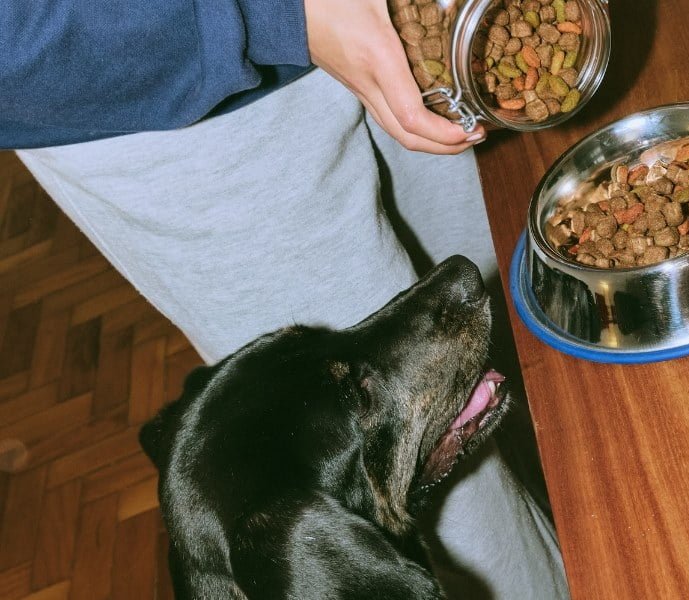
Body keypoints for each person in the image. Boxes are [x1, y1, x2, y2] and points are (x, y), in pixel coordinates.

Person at [2, 0, 570, 597]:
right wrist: (276, 13)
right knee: (478, 528)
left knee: (515, 342)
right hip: (165, 105)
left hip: (383, 22)